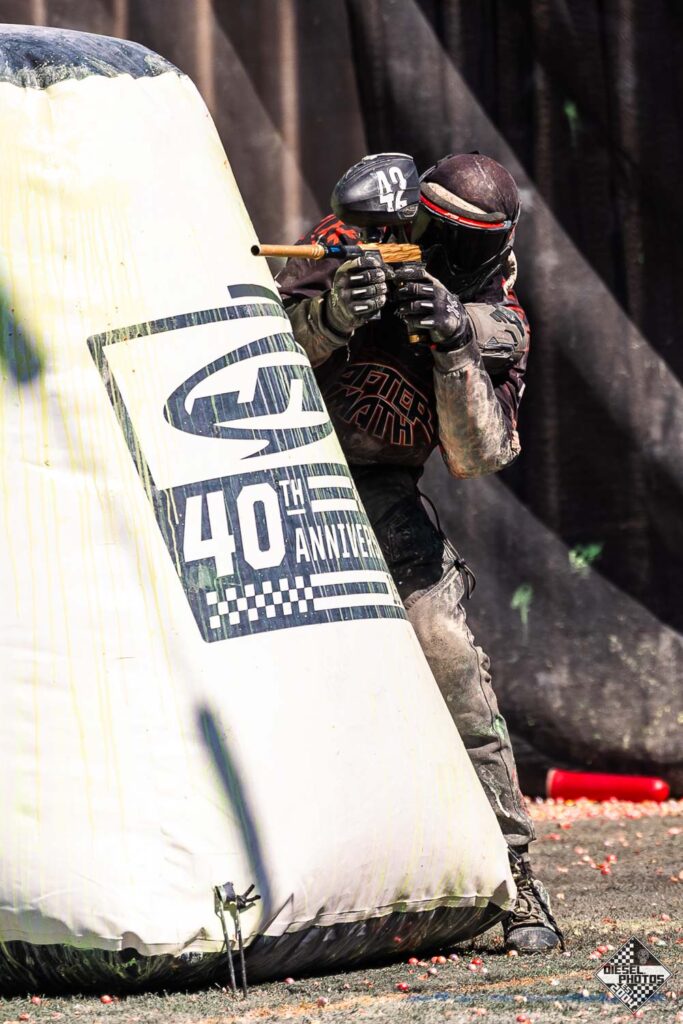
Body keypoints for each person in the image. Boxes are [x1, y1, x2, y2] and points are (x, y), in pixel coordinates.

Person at [276, 152, 564, 954]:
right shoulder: (349, 239)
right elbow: (255, 352)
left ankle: (514, 874)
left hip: (379, 492)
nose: (437, 249)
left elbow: (479, 454)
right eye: (431, 227)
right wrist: (332, 315)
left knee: (445, 647)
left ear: (493, 248)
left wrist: (452, 344)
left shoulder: (499, 321)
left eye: (462, 241)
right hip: (281, 467)